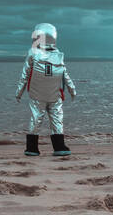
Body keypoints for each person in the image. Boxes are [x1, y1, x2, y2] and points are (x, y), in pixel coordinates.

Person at [15, 22, 76, 156]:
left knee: (36, 119)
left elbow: (24, 74)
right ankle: (59, 146)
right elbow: (65, 74)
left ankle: (32, 148)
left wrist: (19, 92)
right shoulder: (58, 55)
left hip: (38, 94)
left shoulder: (33, 53)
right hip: (55, 94)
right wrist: (72, 90)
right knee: (57, 119)